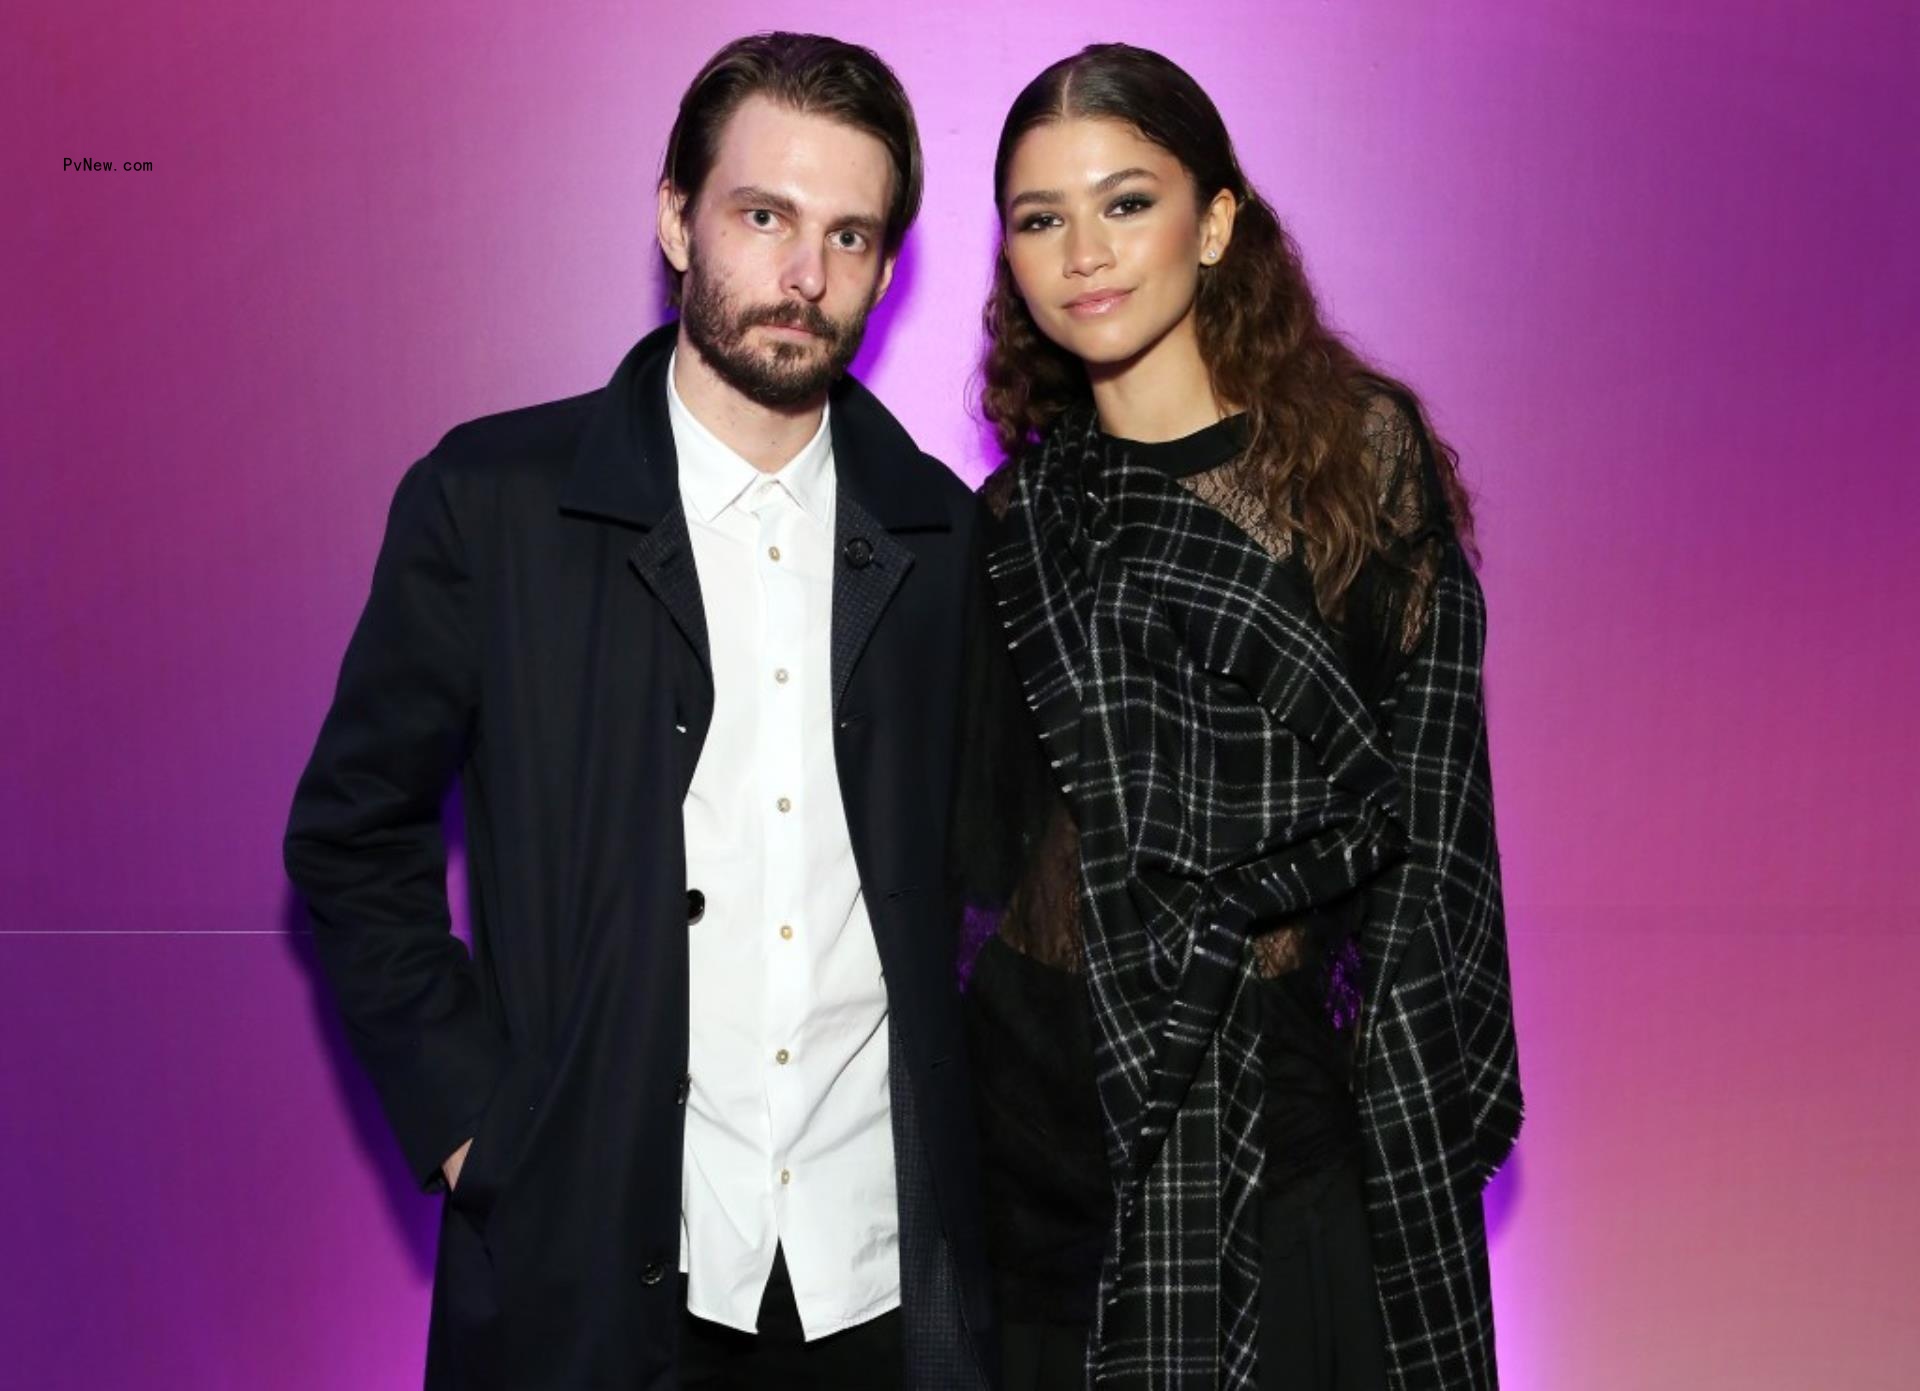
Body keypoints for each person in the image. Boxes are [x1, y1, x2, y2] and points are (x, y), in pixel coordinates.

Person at [285, 33, 994, 1391]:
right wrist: (480, 1131)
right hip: (595, 1271)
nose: (805, 275)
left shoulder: (946, 539)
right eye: (764, 215)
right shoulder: (495, 504)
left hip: (880, 1289)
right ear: (676, 215)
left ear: (889, 268)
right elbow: (350, 831)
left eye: (850, 235)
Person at [952, 43, 1523, 1390]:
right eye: (1042, 220)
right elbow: (983, 858)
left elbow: (1437, 822)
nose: (1085, 252)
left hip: (1300, 1137)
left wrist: (1427, 1095)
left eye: (1126, 201)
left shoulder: (1358, 463)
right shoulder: (1015, 528)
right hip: (1052, 1148)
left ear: (1214, 221)